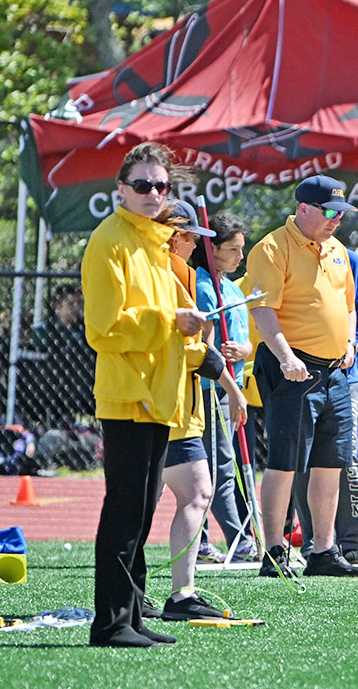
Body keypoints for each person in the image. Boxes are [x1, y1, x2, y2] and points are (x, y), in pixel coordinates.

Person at [82, 142, 203, 647]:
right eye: (143, 185)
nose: (153, 194)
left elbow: (172, 325)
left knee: (140, 513)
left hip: (158, 398)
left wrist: (193, 337)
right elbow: (103, 327)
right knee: (125, 512)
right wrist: (171, 320)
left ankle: (131, 616)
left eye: (162, 186)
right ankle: (110, 624)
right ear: (121, 190)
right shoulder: (109, 241)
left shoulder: (155, 244)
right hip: (128, 396)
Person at [243, 174, 358, 578]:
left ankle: (323, 550)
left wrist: (349, 343)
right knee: (285, 463)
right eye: (330, 212)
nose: (337, 220)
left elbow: (349, 305)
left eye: (341, 213)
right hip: (293, 370)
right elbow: (263, 309)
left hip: (336, 371)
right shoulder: (272, 247)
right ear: (303, 209)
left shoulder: (338, 250)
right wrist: (285, 357)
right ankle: (274, 551)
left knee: (331, 463)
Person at [155, 199, 248, 619]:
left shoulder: (183, 275)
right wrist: (230, 384)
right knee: (182, 494)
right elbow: (192, 347)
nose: (195, 246)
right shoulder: (161, 275)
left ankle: (175, 594)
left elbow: (198, 347)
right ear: (173, 237)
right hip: (161, 405)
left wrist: (231, 381)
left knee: (192, 492)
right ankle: (158, 593)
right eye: (191, 237)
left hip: (181, 405)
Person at [292, 248, 358, 564]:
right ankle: (314, 541)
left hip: (344, 378)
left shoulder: (351, 260)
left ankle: (351, 541)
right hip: (303, 378)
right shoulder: (290, 254)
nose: (332, 224)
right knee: (304, 456)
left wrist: (352, 348)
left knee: (344, 455)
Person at [192, 213, 258, 564]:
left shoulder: (229, 287)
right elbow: (206, 347)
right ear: (211, 248)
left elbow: (245, 340)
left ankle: (200, 540)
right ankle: (238, 539)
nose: (239, 256)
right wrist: (232, 389)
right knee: (220, 464)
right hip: (212, 388)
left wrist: (244, 350)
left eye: (241, 249)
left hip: (232, 385)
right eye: (232, 249)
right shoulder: (203, 286)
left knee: (214, 463)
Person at [19, 284, 96, 426]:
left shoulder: (84, 329)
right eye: (70, 304)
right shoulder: (44, 329)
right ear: (58, 305)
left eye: (79, 303)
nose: (76, 308)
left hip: (78, 383)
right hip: (51, 383)